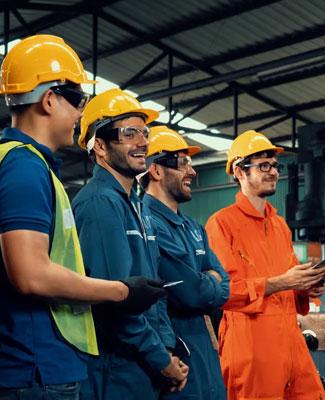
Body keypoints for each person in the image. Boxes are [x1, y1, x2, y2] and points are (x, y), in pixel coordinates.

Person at [0, 35, 166, 400]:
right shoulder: (24, 168)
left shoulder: (11, 163)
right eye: (77, 102)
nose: (78, 115)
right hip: (33, 365)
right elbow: (30, 274)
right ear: (49, 99)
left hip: (27, 362)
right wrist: (122, 291)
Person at [74, 89, 189, 400]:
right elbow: (118, 302)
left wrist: (165, 348)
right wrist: (161, 360)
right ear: (99, 145)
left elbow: (153, 291)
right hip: (116, 369)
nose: (142, 142)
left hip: (142, 363)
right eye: (129, 133)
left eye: (144, 132)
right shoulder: (100, 204)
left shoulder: (135, 205)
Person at [205, 130, 325, 400]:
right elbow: (225, 292)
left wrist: (308, 287)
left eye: (274, 165)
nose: (273, 172)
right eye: (263, 166)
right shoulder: (221, 224)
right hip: (251, 346)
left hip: (291, 342)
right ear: (240, 172)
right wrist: (283, 282)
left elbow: (290, 282)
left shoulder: (279, 225)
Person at [140, 126, 229, 400]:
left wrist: (210, 283)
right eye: (182, 163)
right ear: (156, 170)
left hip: (206, 356)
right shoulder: (148, 223)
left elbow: (225, 285)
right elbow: (191, 294)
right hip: (177, 355)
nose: (191, 171)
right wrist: (208, 279)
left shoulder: (192, 227)